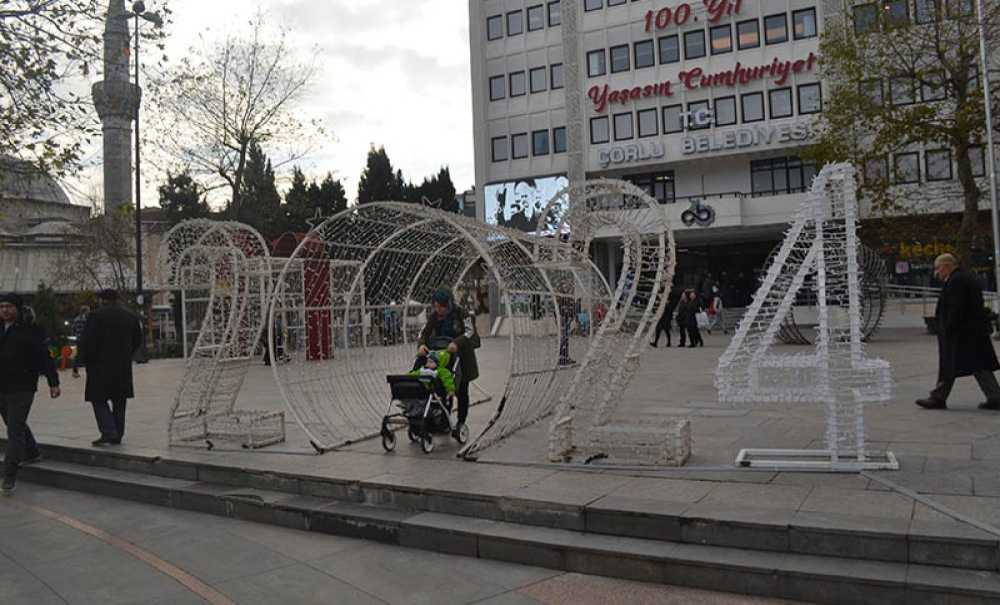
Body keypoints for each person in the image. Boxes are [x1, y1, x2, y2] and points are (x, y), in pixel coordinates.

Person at [916, 254, 1000, 410]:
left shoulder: (957, 281)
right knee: (978, 365)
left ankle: (938, 398)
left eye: (938, 268)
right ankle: (995, 397)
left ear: (947, 266)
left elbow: (956, 308)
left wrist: (947, 328)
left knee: (951, 365)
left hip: (961, 334)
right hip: (972, 333)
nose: (937, 272)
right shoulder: (964, 277)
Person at [0, 293, 61, 495]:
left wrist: (53, 382)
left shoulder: (31, 330)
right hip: (2, 387)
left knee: (14, 430)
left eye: (9, 306)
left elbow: (44, 356)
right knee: (13, 422)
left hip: (22, 387)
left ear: (17, 308)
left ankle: (8, 476)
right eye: (1, 307)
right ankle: (32, 452)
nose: (5, 310)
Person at [78, 289, 143, 445]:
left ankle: (108, 431)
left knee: (98, 399)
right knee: (119, 401)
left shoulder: (95, 316)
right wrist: (127, 354)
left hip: (99, 366)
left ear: (102, 300)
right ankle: (118, 434)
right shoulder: (130, 316)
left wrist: (84, 360)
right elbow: (137, 339)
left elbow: (88, 341)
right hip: (122, 365)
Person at [418, 288, 479, 436]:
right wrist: (421, 344)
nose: (438, 310)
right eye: (436, 306)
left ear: (448, 304)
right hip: (443, 356)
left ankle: (461, 421)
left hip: (462, 358)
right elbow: (424, 332)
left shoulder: (461, 314)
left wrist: (457, 342)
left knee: (461, 391)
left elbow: (470, 332)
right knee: (443, 388)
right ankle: (444, 420)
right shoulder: (434, 316)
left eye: (441, 307)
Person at [71, 305, 90, 378]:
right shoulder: (86, 319)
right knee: (88, 355)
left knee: (78, 355)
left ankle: (75, 371)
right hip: (86, 339)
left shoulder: (76, 319)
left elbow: (73, 329)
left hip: (78, 339)